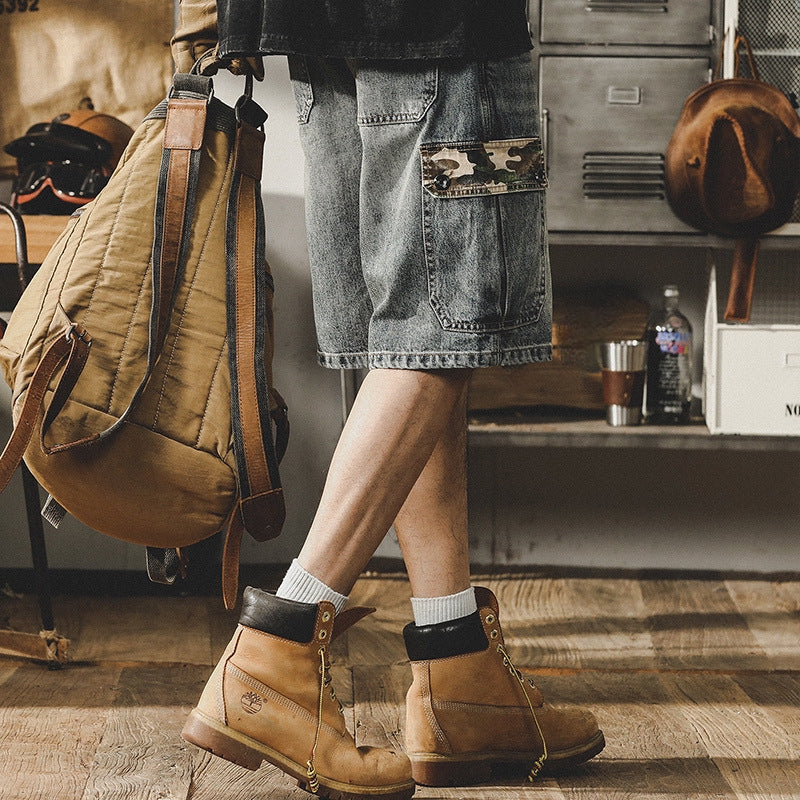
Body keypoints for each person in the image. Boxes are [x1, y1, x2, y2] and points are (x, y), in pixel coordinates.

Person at [172, 2, 605, 798]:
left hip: (314, 28)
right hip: (444, 25)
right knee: (451, 318)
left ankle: (456, 667)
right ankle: (277, 650)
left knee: (409, 338)